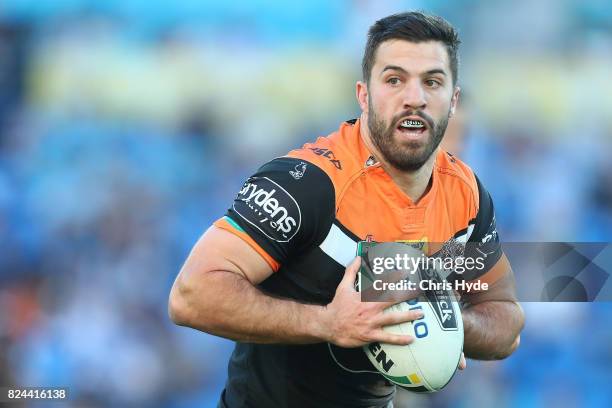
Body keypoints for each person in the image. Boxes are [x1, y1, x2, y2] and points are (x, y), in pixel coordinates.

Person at [169, 11, 524, 408]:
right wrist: (329, 323)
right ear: (364, 95)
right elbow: (190, 295)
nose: (415, 97)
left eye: (433, 82)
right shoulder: (307, 184)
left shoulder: (468, 196)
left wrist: (451, 323)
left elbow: (506, 322)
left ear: (453, 100)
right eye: (394, 80)